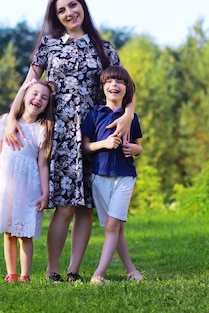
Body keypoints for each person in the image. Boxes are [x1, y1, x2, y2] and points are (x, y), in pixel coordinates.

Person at [4, 0, 136, 283]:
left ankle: (74, 270)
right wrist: (12, 117)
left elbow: (127, 84)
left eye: (72, 6)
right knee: (64, 206)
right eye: (61, 10)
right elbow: (29, 83)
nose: (69, 13)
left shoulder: (104, 48)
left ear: (83, 7)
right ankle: (53, 270)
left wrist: (127, 115)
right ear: (56, 17)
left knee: (85, 206)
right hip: (60, 134)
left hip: (96, 134)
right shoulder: (48, 46)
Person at [0, 79, 55, 283]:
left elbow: (43, 164)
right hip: (7, 184)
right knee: (8, 232)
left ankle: (25, 274)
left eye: (43, 97)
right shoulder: (8, 122)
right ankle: (12, 273)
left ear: (47, 105)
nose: (38, 99)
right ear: (24, 96)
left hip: (28, 186)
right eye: (34, 93)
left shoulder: (43, 129)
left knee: (25, 233)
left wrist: (45, 192)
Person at [82, 65, 144, 284]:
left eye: (119, 82)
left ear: (127, 89)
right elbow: (86, 147)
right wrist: (104, 144)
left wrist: (133, 150)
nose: (114, 85)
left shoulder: (131, 117)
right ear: (103, 87)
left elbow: (139, 146)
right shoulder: (94, 114)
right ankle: (132, 271)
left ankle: (98, 274)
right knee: (116, 227)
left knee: (111, 226)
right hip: (99, 176)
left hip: (125, 176)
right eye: (109, 81)